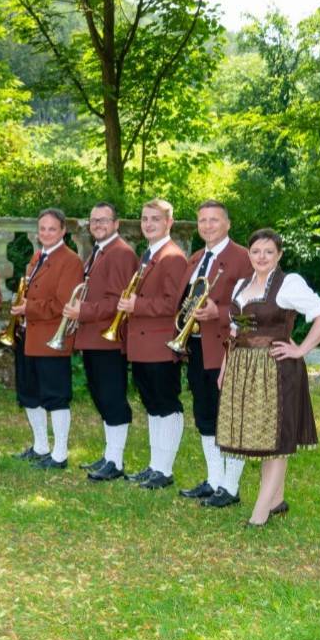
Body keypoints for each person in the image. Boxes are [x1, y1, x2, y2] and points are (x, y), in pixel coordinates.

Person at [217, 228, 320, 527]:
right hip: (244, 369)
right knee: (261, 435)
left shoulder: (289, 284)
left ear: (279, 255)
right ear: (249, 253)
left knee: (275, 439)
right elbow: (234, 331)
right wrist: (224, 367)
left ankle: (260, 512)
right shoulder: (241, 286)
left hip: (276, 369)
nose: (262, 257)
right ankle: (277, 499)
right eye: (256, 251)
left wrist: (301, 350)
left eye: (269, 252)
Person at [175, 200, 252, 508]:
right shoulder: (196, 258)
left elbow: (253, 306)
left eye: (214, 220)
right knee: (206, 416)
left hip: (226, 348)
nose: (207, 226)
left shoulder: (243, 258)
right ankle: (214, 480)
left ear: (228, 224)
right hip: (196, 346)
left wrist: (218, 312)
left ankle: (231, 488)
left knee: (230, 418)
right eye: (202, 221)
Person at [61, 202, 139, 482]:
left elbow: (119, 301)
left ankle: (116, 462)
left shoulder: (120, 253)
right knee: (101, 397)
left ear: (116, 224)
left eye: (104, 220)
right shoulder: (99, 251)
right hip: (92, 337)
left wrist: (84, 311)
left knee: (112, 398)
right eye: (94, 221)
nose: (98, 225)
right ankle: (109, 455)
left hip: (107, 337)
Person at [120, 199, 188, 490]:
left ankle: (165, 470)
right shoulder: (147, 253)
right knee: (151, 404)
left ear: (169, 222)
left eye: (155, 219)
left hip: (160, 343)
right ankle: (154, 465)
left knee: (167, 405)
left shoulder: (173, 257)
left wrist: (137, 304)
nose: (148, 224)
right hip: (142, 344)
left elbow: (173, 303)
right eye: (145, 219)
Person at [9, 209, 84, 468]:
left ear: (63, 231)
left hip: (52, 336)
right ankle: (41, 446)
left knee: (55, 396)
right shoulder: (38, 255)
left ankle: (60, 454)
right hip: (29, 335)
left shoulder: (70, 260)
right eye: (42, 228)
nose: (46, 233)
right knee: (30, 393)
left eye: (52, 229)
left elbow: (62, 303)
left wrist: (27, 307)